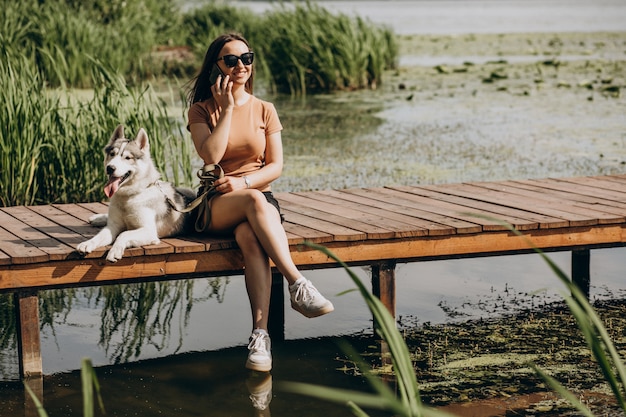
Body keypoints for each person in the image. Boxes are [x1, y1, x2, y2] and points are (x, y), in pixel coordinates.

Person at [186, 33, 334, 372]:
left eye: (246, 58)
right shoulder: (201, 109)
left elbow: (276, 167)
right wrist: (225, 110)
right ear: (216, 67)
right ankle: (298, 283)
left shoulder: (265, 109)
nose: (241, 66)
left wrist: (243, 181)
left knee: (251, 239)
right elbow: (210, 156)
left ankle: (260, 336)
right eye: (231, 60)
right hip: (216, 205)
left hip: (256, 197)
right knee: (254, 201)